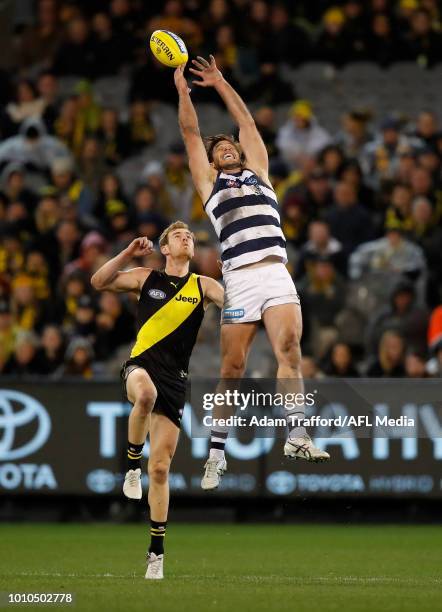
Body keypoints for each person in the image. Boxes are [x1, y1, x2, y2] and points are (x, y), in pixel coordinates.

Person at [174, 56, 330, 492]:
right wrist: (183, 90)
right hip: (240, 277)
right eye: (219, 148)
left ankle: (297, 435)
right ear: (212, 160)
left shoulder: (260, 172)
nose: (227, 147)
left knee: (290, 346)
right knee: (233, 368)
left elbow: (247, 122)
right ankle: (217, 453)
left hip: (276, 273)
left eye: (231, 145)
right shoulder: (210, 186)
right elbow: (189, 132)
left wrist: (221, 83)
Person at [91, 223, 223, 579]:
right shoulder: (146, 278)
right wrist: (126, 253)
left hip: (175, 381)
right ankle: (132, 468)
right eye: (179, 236)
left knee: (162, 469)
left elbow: (240, 307)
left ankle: (156, 553)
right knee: (144, 395)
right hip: (140, 367)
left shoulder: (204, 286)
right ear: (164, 248)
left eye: (191, 237)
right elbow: (99, 282)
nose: (186, 239)